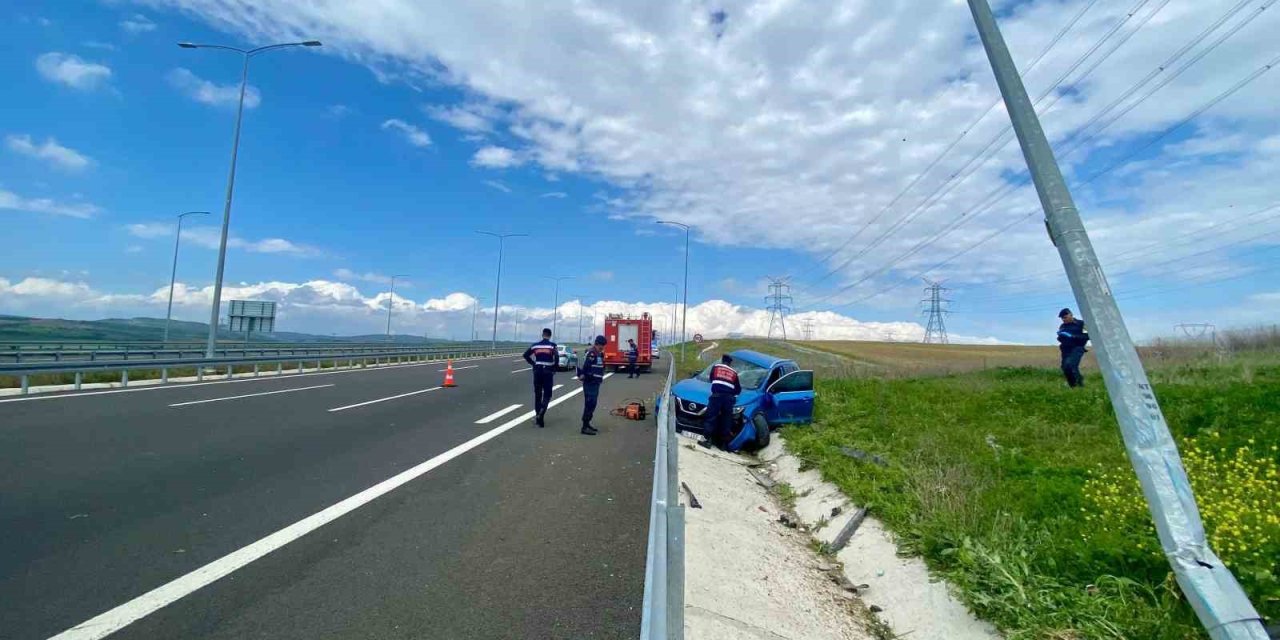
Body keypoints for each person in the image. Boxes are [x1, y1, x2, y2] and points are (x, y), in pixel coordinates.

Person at [702, 354, 742, 449]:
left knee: (711, 417)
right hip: (729, 399)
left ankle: (707, 440)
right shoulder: (734, 372)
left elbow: (712, 379)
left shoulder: (716, 367)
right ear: (730, 363)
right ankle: (723, 445)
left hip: (717, 396)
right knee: (726, 420)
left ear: (722, 361)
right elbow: (738, 389)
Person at [523, 328, 557, 427]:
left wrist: (533, 364)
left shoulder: (535, 345)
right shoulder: (552, 346)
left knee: (538, 395)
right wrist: (554, 368)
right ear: (550, 336)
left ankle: (539, 420)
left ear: (542, 335)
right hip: (548, 371)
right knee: (547, 394)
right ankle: (542, 412)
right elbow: (557, 357)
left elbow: (525, 355)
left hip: (537, 371)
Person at [577, 335, 608, 435]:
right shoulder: (592, 353)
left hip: (596, 383)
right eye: (600, 345)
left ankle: (588, 423)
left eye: (603, 346)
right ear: (596, 343)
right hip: (590, 382)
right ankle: (584, 426)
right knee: (590, 403)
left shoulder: (598, 354)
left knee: (592, 404)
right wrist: (582, 375)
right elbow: (583, 365)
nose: (602, 347)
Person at [1056, 308, 1089, 388]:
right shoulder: (1062, 326)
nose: (1063, 320)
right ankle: (1073, 386)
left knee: (1070, 365)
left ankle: (1080, 385)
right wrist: (1061, 336)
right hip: (1065, 349)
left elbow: (1087, 336)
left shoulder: (1082, 324)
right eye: (1062, 318)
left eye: (1065, 317)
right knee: (1065, 368)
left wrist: (1073, 336)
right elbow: (1060, 338)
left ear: (1070, 315)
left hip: (1077, 348)